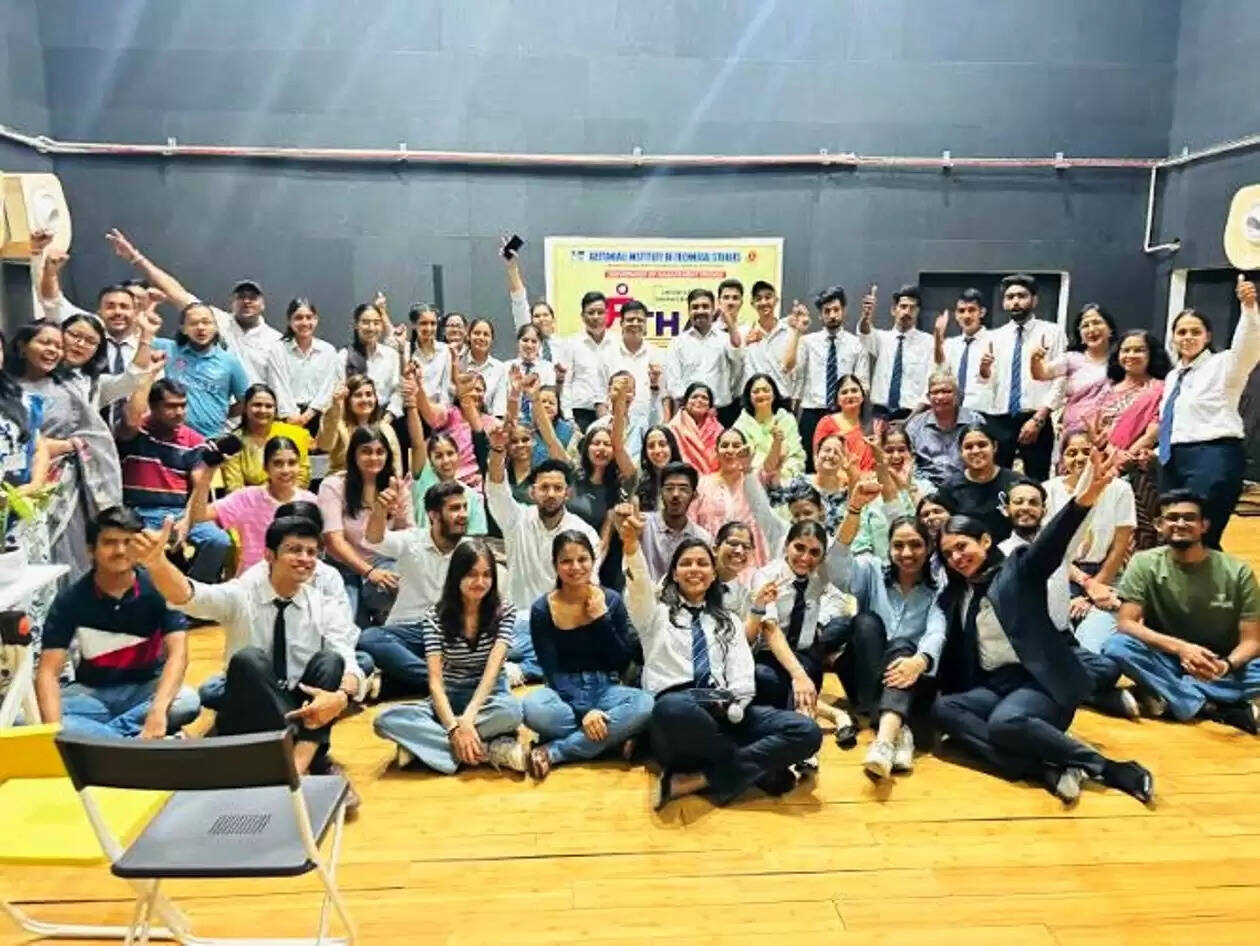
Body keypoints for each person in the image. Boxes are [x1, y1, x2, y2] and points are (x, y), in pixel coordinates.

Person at [932, 450, 1154, 806]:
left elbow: (1050, 545)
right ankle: (1044, 768)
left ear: (985, 541)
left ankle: (1105, 767)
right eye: (948, 554)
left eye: (962, 546)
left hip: (1041, 684)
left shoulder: (1017, 569)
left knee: (1004, 724)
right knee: (945, 710)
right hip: (997, 685)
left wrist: (1084, 499)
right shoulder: (958, 593)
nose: (957, 557)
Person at [136, 513, 363, 803]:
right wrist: (158, 564)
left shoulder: (323, 606)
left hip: (304, 708)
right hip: (252, 708)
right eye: (294, 550)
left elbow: (347, 657)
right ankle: (310, 760)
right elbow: (190, 596)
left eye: (311, 552)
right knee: (249, 660)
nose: (305, 559)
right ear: (269, 555)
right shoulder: (242, 594)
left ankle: (294, 768)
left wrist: (341, 697)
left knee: (331, 662)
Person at [620, 510, 822, 809]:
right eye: (686, 563)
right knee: (672, 708)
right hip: (680, 718)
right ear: (674, 573)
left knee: (806, 731)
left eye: (702, 563)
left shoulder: (728, 620)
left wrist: (735, 705)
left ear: (713, 573)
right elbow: (637, 586)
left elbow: (742, 671)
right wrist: (630, 546)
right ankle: (755, 769)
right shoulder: (654, 615)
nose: (694, 569)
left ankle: (701, 779)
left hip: (724, 710)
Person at [36, 508, 200, 739]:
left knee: (187, 701)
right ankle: (132, 741)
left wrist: (158, 711)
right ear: (91, 549)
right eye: (110, 543)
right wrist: (54, 733)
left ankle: (104, 741)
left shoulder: (160, 588)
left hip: (146, 690)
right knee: (29, 717)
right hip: (91, 695)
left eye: (128, 542)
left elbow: (178, 655)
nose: (121, 550)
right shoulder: (71, 599)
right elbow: (48, 672)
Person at [1104, 490, 1260, 733]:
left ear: (1204, 525)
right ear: (1158, 525)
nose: (1180, 524)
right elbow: (1127, 623)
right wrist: (1182, 649)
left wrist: (1225, 665)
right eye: (1172, 518)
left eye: (1189, 518)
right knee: (1116, 646)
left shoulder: (1237, 572)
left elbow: (1252, 641)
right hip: (1168, 657)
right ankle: (1214, 706)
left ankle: (1173, 694)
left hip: (1220, 663)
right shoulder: (1144, 563)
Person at [372, 539, 527, 774]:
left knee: (512, 713)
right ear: (457, 576)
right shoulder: (435, 617)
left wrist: (468, 719)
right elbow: (435, 682)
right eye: (472, 574)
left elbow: (492, 671)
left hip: (490, 697)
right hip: (451, 694)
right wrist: (454, 729)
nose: (480, 582)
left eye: (487, 575)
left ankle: (426, 747)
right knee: (385, 721)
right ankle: (488, 750)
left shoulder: (504, 611)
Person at [826, 498, 946, 782]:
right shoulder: (872, 570)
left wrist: (920, 660)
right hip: (865, 679)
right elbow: (835, 566)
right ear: (888, 547)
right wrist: (853, 511)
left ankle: (884, 740)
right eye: (898, 545)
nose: (907, 553)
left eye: (916, 545)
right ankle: (898, 729)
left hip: (911, 678)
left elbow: (937, 629)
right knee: (865, 621)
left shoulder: (939, 586)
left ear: (929, 547)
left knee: (903, 647)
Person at [999, 478, 1139, 721]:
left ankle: (1070, 690)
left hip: (1062, 639)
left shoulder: (1059, 549)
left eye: (1033, 502)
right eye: (1018, 502)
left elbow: (1079, 517)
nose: (1025, 507)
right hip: (1027, 644)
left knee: (1108, 669)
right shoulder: (999, 554)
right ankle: (1093, 695)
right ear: (1006, 509)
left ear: (1044, 510)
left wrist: (1094, 483)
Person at [523, 531, 652, 778]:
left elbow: (621, 661)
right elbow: (550, 669)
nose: (575, 567)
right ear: (555, 565)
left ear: (593, 561)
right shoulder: (542, 609)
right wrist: (585, 712)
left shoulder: (611, 600)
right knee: (532, 708)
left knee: (644, 704)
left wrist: (601, 620)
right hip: (563, 692)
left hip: (606, 688)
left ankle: (555, 751)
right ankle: (610, 740)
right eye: (566, 561)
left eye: (582, 559)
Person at [4, 323, 124, 579]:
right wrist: (45, 445)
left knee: (67, 553)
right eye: (44, 343)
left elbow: (95, 437)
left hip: (64, 490)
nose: (52, 350)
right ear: (22, 346)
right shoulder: (9, 390)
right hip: (13, 485)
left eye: (58, 346)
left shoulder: (69, 389)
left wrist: (69, 445)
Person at [485, 431, 600, 683]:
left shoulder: (584, 533)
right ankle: (526, 664)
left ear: (567, 494)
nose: (551, 494)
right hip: (516, 625)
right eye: (544, 488)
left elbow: (591, 589)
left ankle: (518, 669)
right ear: (532, 492)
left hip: (560, 624)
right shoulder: (516, 520)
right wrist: (497, 451)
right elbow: (496, 489)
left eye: (557, 488)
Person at [1156, 276, 1260, 550]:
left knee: (1201, 535)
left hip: (1212, 456)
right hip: (1172, 460)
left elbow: (1249, 346)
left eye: (1195, 331)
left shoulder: (1224, 365)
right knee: (1175, 537)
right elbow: (1175, 422)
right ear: (1173, 337)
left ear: (1208, 336)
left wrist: (1249, 308)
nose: (1188, 337)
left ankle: (1215, 579)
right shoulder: (1173, 377)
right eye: (1181, 332)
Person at [106, 228, 281, 385]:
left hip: (256, 408)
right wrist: (135, 257)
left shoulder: (276, 341)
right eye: (241, 297)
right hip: (212, 404)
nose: (247, 302)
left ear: (263, 304)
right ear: (232, 302)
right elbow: (175, 291)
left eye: (253, 298)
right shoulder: (215, 319)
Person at [356, 480, 469, 696]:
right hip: (409, 631)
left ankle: (403, 683)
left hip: (449, 633)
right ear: (433, 515)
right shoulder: (412, 540)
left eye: (465, 507)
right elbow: (373, 540)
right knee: (370, 638)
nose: (463, 514)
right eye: (455, 508)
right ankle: (445, 684)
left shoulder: (470, 550)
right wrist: (379, 510)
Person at [116, 378, 231, 584]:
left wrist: (187, 521)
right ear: (153, 406)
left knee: (218, 541)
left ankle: (192, 592)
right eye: (171, 406)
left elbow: (199, 486)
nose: (179, 412)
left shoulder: (195, 441)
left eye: (183, 405)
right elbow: (130, 422)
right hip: (138, 512)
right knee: (141, 549)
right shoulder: (134, 432)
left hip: (179, 511)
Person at [747, 521, 845, 726]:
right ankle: (826, 718)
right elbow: (770, 628)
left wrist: (854, 510)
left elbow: (843, 544)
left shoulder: (819, 576)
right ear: (787, 545)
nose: (805, 558)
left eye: (814, 552)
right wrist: (798, 675)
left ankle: (804, 726)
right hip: (770, 655)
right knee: (764, 679)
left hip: (806, 656)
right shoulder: (766, 576)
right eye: (799, 547)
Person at [318, 426, 412, 625]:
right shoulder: (333, 485)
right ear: (354, 455)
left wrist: (399, 516)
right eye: (366, 451)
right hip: (343, 565)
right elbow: (334, 541)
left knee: (394, 586)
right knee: (347, 622)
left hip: (383, 560)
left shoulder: (396, 486)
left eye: (380, 452)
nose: (374, 458)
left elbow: (407, 535)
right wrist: (369, 572)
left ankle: (382, 620)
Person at [186, 436, 318, 575]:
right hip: (252, 581)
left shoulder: (312, 503)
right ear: (266, 467)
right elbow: (199, 516)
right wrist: (207, 475)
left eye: (292, 463)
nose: (285, 470)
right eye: (278, 463)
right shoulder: (246, 498)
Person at [982, 274, 1066, 481]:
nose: (1015, 302)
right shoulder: (994, 336)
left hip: (1035, 415)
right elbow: (987, 382)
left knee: (1037, 482)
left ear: (1034, 300)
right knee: (996, 481)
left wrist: (1040, 418)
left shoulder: (1052, 332)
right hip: (1000, 418)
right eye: (1010, 297)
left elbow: (1061, 378)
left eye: (1021, 296)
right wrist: (984, 371)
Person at [1096, 330, 1169, 551]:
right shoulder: (1107, 389)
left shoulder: (1159, 388)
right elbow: (1097, 429)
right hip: (1104, 465)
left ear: (1151, 354)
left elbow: (1154, 431)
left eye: (1139, 350)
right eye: (1126, 350)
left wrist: (1126, 456)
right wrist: (1113, 454)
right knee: (1103, 524)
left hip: (1139, 467)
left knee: (1141, 526)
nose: (1131, 355)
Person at [795, 286, 870, 470]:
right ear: (820, 315)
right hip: (812, 413)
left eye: (836, 310)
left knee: (845, 465)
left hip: (844, 414)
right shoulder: (807, 342)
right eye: (827, 311)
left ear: (843, 310)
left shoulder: (856, 344)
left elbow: (863, 384)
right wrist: (794, 412)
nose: (832, 315)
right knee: (811, 466)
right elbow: (797, 379)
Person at [151, 301, 251, 438]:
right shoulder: (168, 348)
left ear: (215, 327)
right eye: (193, 323)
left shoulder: (230, 362)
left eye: (206, 322)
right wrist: (148, 307)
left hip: (210, 439)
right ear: (183, 329)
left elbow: (246, 400)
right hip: (170, 437)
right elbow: (137, 336)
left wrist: (222, 413)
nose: (200, 327)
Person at [691, 427, 781, 575]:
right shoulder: (702, 484)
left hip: (749, 563)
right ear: (716, 451)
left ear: (745, 451)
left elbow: (770, 467)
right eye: (725, 445)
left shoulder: (752, 481)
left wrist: (777, 442)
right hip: (711, 562)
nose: (730, 450)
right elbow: (692, 523)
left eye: (736, 446)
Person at [1029, 303, 1117, 450]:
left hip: (1111, 434)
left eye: (1097, 322)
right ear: (1080, 334)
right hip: (1076, 436)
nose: (1091, 329)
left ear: (1110, 329)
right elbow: (1041, 374)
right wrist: (1034, 359)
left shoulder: (1121, 361)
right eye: (1085, 325)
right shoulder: (1071, 359)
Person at [664, 288, 745, 428]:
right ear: (689, 311)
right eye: (695, 307)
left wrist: (730, 323)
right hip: (688, 415)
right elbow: (673, 383)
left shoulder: (725, 339)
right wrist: (697, 406)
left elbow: (738, 359)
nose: (700, 311)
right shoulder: (678, 343)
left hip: (722, 414)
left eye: (705, 306)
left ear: (713, 310)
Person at [264, 298, 340, 436]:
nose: (304, 323)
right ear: (289, 321)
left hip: (319, 417)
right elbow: (278, 384)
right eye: (298, 318)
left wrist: (308, 415)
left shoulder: (328, 351)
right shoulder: (278, 349)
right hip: (286, 418)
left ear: (316, 320)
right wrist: (292, 416)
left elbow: (328, 387)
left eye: (309, 317)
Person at [858, 284, 934, 421]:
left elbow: (929, 386)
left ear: (917, 312)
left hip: (912, 415)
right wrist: (866, 316)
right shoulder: (882, 338)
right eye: (903, 307)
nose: (907, 312)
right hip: (880, 414)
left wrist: (909, 420)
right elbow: (865, 333)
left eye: (912, 308)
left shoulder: (929, 342)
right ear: (894, 310)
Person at [937, 423, 1020, 544]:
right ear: (960, 451)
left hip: (1011, 550)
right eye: (968, 447)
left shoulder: (1016, 483)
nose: (975, 451)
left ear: (994, 447)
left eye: (982, 445)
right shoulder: (949, 489)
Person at [220, 384, 311, 491]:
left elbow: (302, 478)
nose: (263, 410)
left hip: (292, 497)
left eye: (269, 406)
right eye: (257, 405)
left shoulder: (294, 434)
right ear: (244, 408)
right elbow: (234, 487)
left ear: (275, 410)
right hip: (248, 500)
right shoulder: (234, 441)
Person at [316, 374, 404, 479]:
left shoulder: (386, 429)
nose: (365, 400)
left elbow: (396, 468)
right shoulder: (337, 423)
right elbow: (325, 445)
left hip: (377, 483)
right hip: (342, 481)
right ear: (348, 400)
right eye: (358, 395)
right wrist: (336, 407)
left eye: (369, 394)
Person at [905, 369, 983, 488]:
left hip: (967, 485)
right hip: (926, 486)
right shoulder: (915, 425)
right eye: (935, 392)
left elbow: (984, 459)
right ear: (928, 397)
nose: (940, 397)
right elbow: (908, 462)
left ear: (957, 394)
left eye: (946, 391)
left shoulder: (975, 420)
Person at [638, 462, 713, 584]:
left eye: (683, 489)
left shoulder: (702, 538)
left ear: (694, 495)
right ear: (660, 492)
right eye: (669, 488)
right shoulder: (642, 524)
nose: (675, 494)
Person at [598, 301, 665, 428]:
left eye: (640, 320)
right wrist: (607, 428)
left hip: (649, 426)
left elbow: (664, 396)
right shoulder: (607, 354)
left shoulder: (657, 354)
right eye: (630, 320)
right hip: (615, 426)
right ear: (621, 323)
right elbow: (600, 398)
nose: (635, 323)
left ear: (645, 324)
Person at [556, 291, 616, 431]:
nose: (595, 317)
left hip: (610, 412)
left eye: (600, 312)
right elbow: (566, 383)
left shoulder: (617, 342)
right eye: (591, 312)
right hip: (579, 414)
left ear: (607, 314)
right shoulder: (571, 344)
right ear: (583, 316)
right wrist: (569, 418)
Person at [742, 282, 808, 407]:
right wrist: (744, 343)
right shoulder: (745, 332)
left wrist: (797, 331)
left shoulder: (790, 332)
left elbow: (791, 367)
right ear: (752, 303)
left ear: (776, 300)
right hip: (755, 401)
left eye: (768, 297)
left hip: (782, 399)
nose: (763, 302)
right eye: (758, 299)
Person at [732, 373, 806, 481]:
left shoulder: (787, 419)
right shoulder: (741, 424)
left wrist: (782, 476)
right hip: (754, 480)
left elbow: (795, 455)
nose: (761, 395)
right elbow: (745, 459)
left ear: (774, 394)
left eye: (766, 390)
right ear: (749, 397)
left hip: (786, 478)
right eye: (756, 391)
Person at [933, 288, 993, 413]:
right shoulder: (951, 344)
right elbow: (940, 370)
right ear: (956, 315)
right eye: (961, 311)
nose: (966, 316)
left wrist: (985, 369)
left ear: (982, 312)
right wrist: (938, 338)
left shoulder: (994, 340)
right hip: (952, 411)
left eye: (972, 310)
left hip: (982, 410)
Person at [342, 302, 403, 423]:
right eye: (365, 322)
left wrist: (386, 421)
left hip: (387, 419)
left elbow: (398, 391)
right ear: (355, 325)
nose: (371, 328)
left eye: (376, 323)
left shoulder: (391, 355)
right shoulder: (343, 356)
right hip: (353, 421)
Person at [810, 373, 875, 470]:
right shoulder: (826, 423)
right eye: (844, 392)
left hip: (868, 476)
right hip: (834, 476)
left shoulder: (873, 425)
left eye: (854, 390)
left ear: (862, 396)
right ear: (837, 400)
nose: (850, 395)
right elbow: (817, 459)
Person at [666, 381, 723, 475]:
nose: (699, 400)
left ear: (709, 405)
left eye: (704, 398)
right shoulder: (673, 428)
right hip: (681, 477)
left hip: (714, 479)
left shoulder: (718, 430)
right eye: (694, 397)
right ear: (685, 402)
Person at [407, 303, 452, 408]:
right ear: (414, 325)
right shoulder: (406, 350)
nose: (429, 328)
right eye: (423, 323)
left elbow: (445, 388)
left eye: (433, 323)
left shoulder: (444, 350)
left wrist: (440, 411)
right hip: (413, 408)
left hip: (437, 410)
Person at [465, 319, 508, 418]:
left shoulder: (500, 369)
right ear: (468, 336)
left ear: (492, 340)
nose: (481, 337)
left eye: (486, 334)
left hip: (488, 422)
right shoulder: (458, 362)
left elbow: (499, 409)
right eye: (477, 333)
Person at [634, 424, 683, 512]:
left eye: (662, 444)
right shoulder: (641, 484)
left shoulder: (686, 480)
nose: (657, 450)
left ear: (672, 447)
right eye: (651, 446)